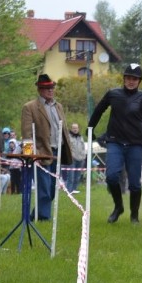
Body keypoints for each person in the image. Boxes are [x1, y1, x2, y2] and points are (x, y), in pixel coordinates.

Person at [88, 64, 142, 224]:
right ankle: (118, 207)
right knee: (112, 177)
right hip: (115, 142)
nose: (131, 81)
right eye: (128, 78)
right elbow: (98, 111)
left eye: (134, 79)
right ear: (124, 79)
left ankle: (134, 215)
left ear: (139, 81)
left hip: (135, 145)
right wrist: (90, 129)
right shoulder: (113, 94)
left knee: (134, 183)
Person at [20, 74, 73, 222]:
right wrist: (31, 155)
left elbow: (63, 129)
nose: (50, 90)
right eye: (46, 88)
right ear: (40, 90)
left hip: (58, 151)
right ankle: (43, 217)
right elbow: (26, 133)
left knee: (52, 188)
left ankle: (34, 214)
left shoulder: (58, 106)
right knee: (44, 186)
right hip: (41, 152)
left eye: (52, 87)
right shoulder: (30, 107)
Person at [64, 122, 86, 194]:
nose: (75, 129)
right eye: (73, 128)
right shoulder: (68, 137)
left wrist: (84, 156)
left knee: (78, 176)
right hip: (72, 159)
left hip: (81, 159)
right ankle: (69, 191)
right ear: (71, 128)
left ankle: (74, 190)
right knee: (71, 176)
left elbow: (83, 147)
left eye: (76, 128)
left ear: (78, 129)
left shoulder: (81, 137)